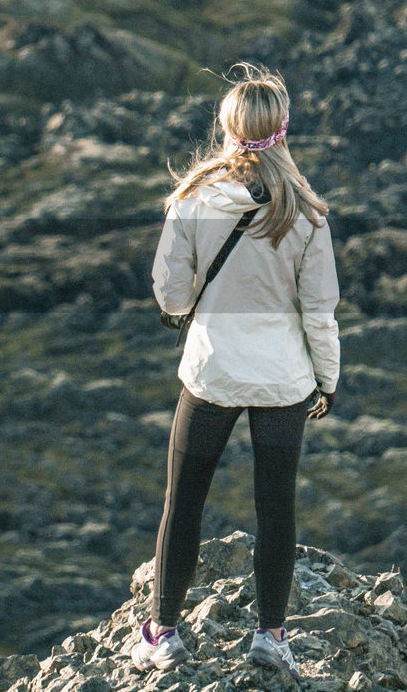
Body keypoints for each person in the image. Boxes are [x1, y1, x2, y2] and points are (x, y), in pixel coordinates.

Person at [130, 64, 340, 679]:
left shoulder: (192, 200)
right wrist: (325, 381)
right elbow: (320, 314)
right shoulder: (306, 214)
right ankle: (271, 638)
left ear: (226, 127)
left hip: (212, 375)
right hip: (283, 383)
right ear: (282, 129)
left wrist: (204, 299)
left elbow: (168, 296)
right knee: (277, 510)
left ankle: (163, 633)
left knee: (185, 502)